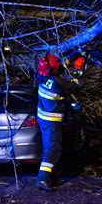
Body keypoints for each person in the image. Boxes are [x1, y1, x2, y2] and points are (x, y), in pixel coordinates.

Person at [35, 54, 80, 191]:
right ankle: (42, 179)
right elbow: (74, 87)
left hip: (44, 119)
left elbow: (58, 68)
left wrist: (73, 56)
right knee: (52, 150)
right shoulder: (57, 83)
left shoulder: (41, 77)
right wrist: (78, 70)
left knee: (54, 149)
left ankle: (52, 178)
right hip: (51, 122)